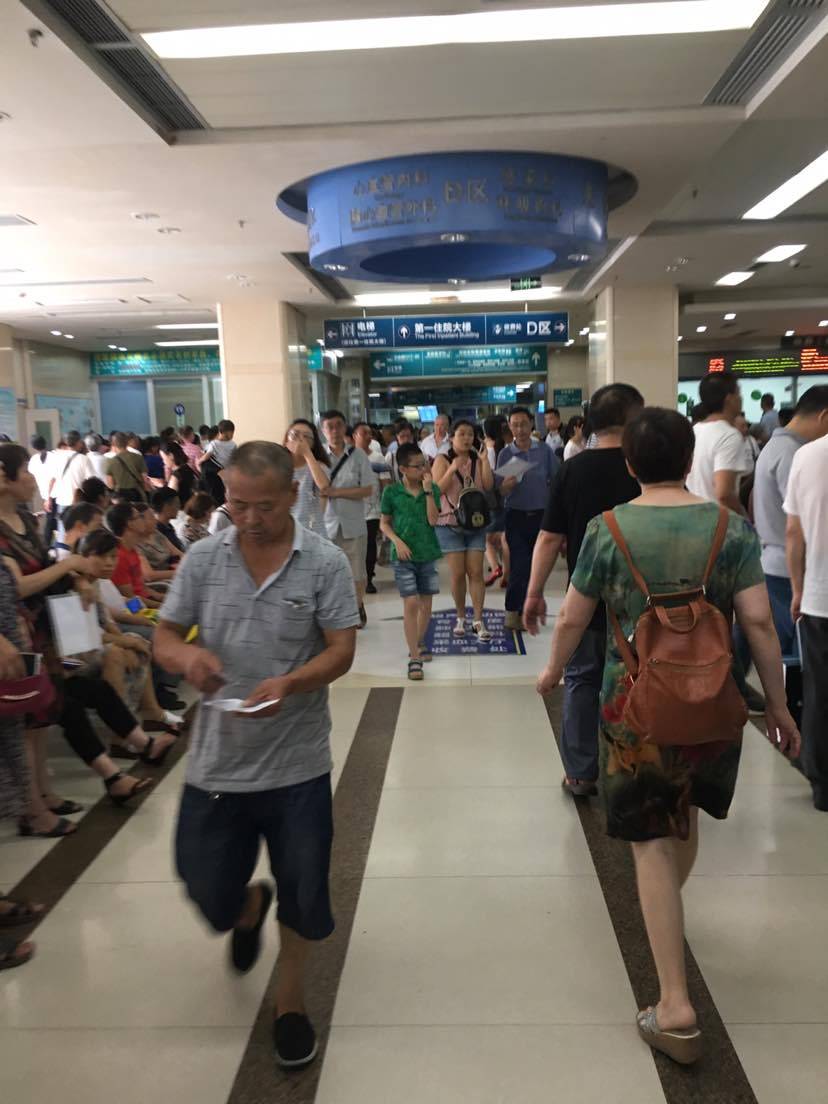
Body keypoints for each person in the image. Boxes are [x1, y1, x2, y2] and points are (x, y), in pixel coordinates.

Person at [536, 407, 799, 1064]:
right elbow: (758, 623)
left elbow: (574, 617)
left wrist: (552, 670)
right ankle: (665, 915)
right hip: (711, 702)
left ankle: (675, 1005)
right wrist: (779, 707)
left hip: (635, 708)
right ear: (688, 460)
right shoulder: (728, 527)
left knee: (651, 840)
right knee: (685, 817)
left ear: (630, 464)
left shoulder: (608, 530)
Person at [153, 441, 359, 1071]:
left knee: (303, 888)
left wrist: (291, 683)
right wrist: (188, 657)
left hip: (297, 763)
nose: (247, 518)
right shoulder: (203, 559)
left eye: (263, 507)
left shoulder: (323, 562)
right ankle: (246, 908)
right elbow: (165, 635)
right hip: (217, 763)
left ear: (293, 495)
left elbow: (341, 650)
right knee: (204, 883)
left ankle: (289, 1002)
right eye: (236, 504)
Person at [525, 383, 644, 797]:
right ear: (633, 419)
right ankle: (632, 766)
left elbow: (549, 538)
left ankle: (579, 772)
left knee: (581, 679)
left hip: (586, 597)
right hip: (641, 603)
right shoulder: (644, 468)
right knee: (638, 679)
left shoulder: (572, 470)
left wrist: (534, 593)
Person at [749, 387, 828, 669]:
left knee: (789, 652)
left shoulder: (776, 446)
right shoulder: (795, 453)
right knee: (800, 657)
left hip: (776, 561)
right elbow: (797, 524)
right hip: (790, 568)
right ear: (824, 416)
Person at [784, 409, 828, 812]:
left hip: (820, 598)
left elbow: (793, 532)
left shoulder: (809, 455)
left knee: (819, 693)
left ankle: (822, 783)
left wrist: (797, 589)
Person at [380, 442, 442, 679]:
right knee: (411, 603)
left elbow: (433, 520)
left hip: (428, 553)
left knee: (426, 605)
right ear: (403, 469)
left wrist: (428, 492)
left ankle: (418, 641)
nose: (424, 469)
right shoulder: (391, 492)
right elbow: (384, 523)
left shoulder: (432, 489)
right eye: (418, 466)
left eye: (424, 464)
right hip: (403, 556)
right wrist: (397, 541)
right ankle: (414, 657)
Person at [496, 407, 560, 631]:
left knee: (537, 566)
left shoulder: (543, 451)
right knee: (520, 565)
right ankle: (512, 611)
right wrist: (507, 486)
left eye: (523, 424)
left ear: (532, 424)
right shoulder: (505, 454)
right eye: (515, 425)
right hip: (516, 516)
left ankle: (528, 610)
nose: (520, 429)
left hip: (542, 516)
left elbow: (557, 480)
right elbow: (499, 491)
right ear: (509, 427)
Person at [432, 420, 494, 641]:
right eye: (462, 434)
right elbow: (436, 490)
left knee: (476, 572)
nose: (467, 438)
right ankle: (460, 616)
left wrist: (485, 461)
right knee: (458, 574)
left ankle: (478, 620)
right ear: (452, 437)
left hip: (475, 523)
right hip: (449, 523)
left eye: (470, 434)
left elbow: (487, 486)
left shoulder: (478, 459)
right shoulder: (442, 459)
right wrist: (452, 469)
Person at [319, 410, 374, 627]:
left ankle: (357, 607)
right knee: (329, 572)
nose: (334, 431)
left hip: (353, 524)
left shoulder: (358, 455)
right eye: (329, 426)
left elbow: (367, 489)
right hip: (325, 525)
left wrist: (335, 492)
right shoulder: (317, 457)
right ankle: (336, 610)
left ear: (344, 428)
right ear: (323, 430)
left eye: (338, 425)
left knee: (357, 572)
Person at [686, 372, 747, 515]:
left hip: (693, 516)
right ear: (729, 399)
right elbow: (723, 493)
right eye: (739, 393)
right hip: (719, 521)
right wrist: (743, 516)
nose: (741, 398)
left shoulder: (694, 431)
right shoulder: (729, 435)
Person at [107, 502, 164, 609]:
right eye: (140, 516)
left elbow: (141, 587)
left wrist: (161, 597)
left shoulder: (132, 549)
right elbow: (131, 600)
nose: (143, 520)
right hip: (139, 610)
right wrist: (161, 607)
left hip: (147, 602)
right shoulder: (119, 557)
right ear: (130, 524)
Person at [352, 421, 385, 593]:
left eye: (370, 433)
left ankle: (369, 578)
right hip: (351, 511)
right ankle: (356, 577)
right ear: (354, 436)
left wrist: (386, 510)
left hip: (373, 510)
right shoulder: (348, 457)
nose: (368, 437)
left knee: (370, 545)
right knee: (355, 547)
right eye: (364, 433)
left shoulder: (378, 458)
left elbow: (386, 483)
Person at [284, 418, 330, 534]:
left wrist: (307, 453)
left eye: (306, 436)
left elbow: (324, 487)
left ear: (313, 443)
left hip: (313, 532)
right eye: (295, 435)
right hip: (286, 531)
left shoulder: (319, 466)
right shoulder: (277, 465)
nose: (300, 440)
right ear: (287, 440)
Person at [483, 415, 511, 588]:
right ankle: (507, 573)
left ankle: (495, 568)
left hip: (493, 499)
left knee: (485, 538)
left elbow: (487, 478)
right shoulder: (508, 447)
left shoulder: (488, 449)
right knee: (505, 538)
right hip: (509, 496)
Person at [50, 431, 95, 515]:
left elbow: (52, 479)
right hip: (78, 501)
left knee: (63, 523)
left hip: (62, 501)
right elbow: (91, 481)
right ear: (78, 442)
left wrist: (48, 499)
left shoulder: (57, 458)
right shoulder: (84, 459)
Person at [200, 420, 237, 505]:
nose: (230, 437)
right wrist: (201, 460)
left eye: (231, 434)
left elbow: (207, 455)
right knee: (223, 491)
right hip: (220, 470)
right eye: (228, 435)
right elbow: (208, 455)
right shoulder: (216, 444)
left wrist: (200, 460)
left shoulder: (216, 443)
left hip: (222, 470)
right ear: (220, 432)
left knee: (222, 491)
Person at [105, 431, 148, 503]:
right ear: (127, 442)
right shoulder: (138, 457)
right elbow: (145, 479)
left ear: (113, 445)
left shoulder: (110, 461)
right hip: (137, 495)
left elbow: (110, 485)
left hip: (120, 497)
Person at [151, 488, 185, 555]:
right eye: (177, 504)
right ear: (166, 506)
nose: (179, 507)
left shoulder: (169, 527)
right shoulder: (157, 531)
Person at [166, 442, 198, 508]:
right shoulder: (187, 467)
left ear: (171, 455)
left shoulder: (176, 476)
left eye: (163, 458)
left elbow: (172, 501)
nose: (163, 461)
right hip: (194, 506)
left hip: (185, 509)